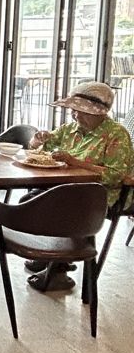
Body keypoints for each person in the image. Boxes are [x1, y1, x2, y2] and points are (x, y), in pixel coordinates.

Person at [25, 80, 133, 291]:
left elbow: (115, 175)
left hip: (101, 196)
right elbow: (39, 146)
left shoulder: (116, 135)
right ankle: (50, 253)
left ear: (100, 113)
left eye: (82, 112)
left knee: (57, 206)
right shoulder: (71, 129)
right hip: (67, 188)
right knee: (31, 200)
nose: (76, 115)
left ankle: (59, 267)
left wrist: (76, 163)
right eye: (74, 111)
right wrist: (38, 140)